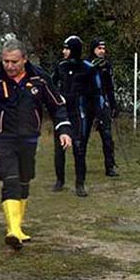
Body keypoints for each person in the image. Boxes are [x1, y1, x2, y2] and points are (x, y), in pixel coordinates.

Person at [0, 39, 72, 250]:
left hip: (29, 137)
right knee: (10, 179)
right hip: (3, 139)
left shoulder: (40, 78)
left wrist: (64, 130)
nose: (9, 66)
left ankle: (19, 228)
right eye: (5, 61)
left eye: (14, 62)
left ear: (24, 59)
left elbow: (57, 105)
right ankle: (12, 230)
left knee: (24, 181)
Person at [52, 36, 100, 197]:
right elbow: (51, 86)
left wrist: (98, 116)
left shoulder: (88, 68)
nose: (63, 51)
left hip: (80, 114)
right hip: (63, 114)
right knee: (59, 148)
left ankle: (80, 184)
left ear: (73, 50)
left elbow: (96, 93)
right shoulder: (61, 66)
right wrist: (58, 97)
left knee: (79, 149)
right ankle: (60, 181)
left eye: (66, 48)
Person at [87, 38, 119, 177]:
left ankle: (110, 166)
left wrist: (113, 104)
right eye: (99, 48)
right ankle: (80, 166)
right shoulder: (86, 64)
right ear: (93, 49)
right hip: (88, 104)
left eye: (103, 49)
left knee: (107, 136)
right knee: (82, 137)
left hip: (102, 103)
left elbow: (110, 87)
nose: (102, 51)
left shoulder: (107, 65)